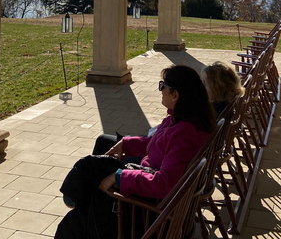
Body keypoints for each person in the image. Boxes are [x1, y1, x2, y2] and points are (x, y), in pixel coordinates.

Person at [55, 64, 216, 238]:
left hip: (150, 210)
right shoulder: (183, 121)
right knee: (93, 168)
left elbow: (164, 183)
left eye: (163, 86)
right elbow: (158, 145)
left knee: (75, 221)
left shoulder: (185, 134)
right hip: (150, 189)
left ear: (175, 95)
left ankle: (76, 199)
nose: (160, 90)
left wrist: (119, 177)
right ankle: (79, 198)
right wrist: (126, 144)